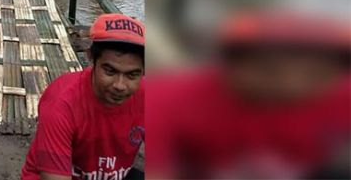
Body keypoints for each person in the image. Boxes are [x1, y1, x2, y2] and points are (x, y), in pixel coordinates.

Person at [147, 12, 351, 179]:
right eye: (269, 69)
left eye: (315, 74)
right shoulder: (169, 99)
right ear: (230, 64)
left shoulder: (340, 95)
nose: (291, 86)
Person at [21, 13, 146, 180]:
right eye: (110, 71)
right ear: (91, 58)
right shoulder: (62, 103)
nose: (120, 86)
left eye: (132, 75)